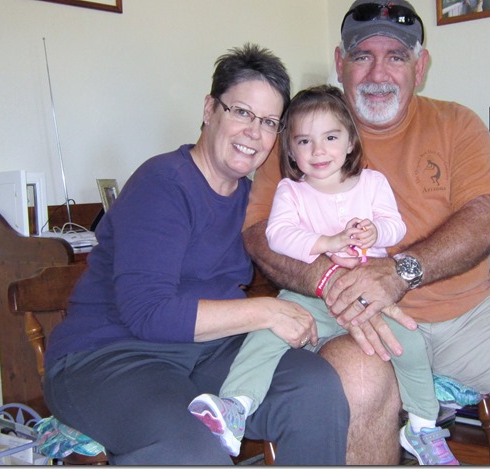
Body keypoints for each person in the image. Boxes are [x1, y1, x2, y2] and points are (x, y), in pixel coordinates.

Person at [242, 0, 490, 465]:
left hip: (465, 312)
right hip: (346, 315)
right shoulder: (302, 132)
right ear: (340, 62)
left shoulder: (457, 123)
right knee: (360, 385)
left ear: (420, 66)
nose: (378, 73)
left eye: (396, 56)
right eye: (362, 56)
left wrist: (399, 271)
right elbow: (259, 232)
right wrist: (328, 281)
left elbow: (487, 216)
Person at [42, 43, 349, 465]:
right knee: (195, 449)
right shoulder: (163, 184)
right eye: (241, 112)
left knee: (314, 388)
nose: (254, 132)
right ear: (209, 109)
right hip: (110, 355)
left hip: (206, 350)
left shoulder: (254, 200)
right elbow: (148, 312)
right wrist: (267, 312)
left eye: (268, 122)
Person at [189, 84, 458, 464]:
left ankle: (422, 425)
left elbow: (395, 226)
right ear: (291, 151)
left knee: (410, 344)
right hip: (310, 298)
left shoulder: (372, 183)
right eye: (304, 141)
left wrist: (377, 232)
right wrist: (327, 242)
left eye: (330, 137)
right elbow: (278, 234)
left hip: (368, 294)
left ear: (350, 142)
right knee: (267, 333)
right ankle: (236, 405)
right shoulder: (291, 191)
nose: (318, 150)